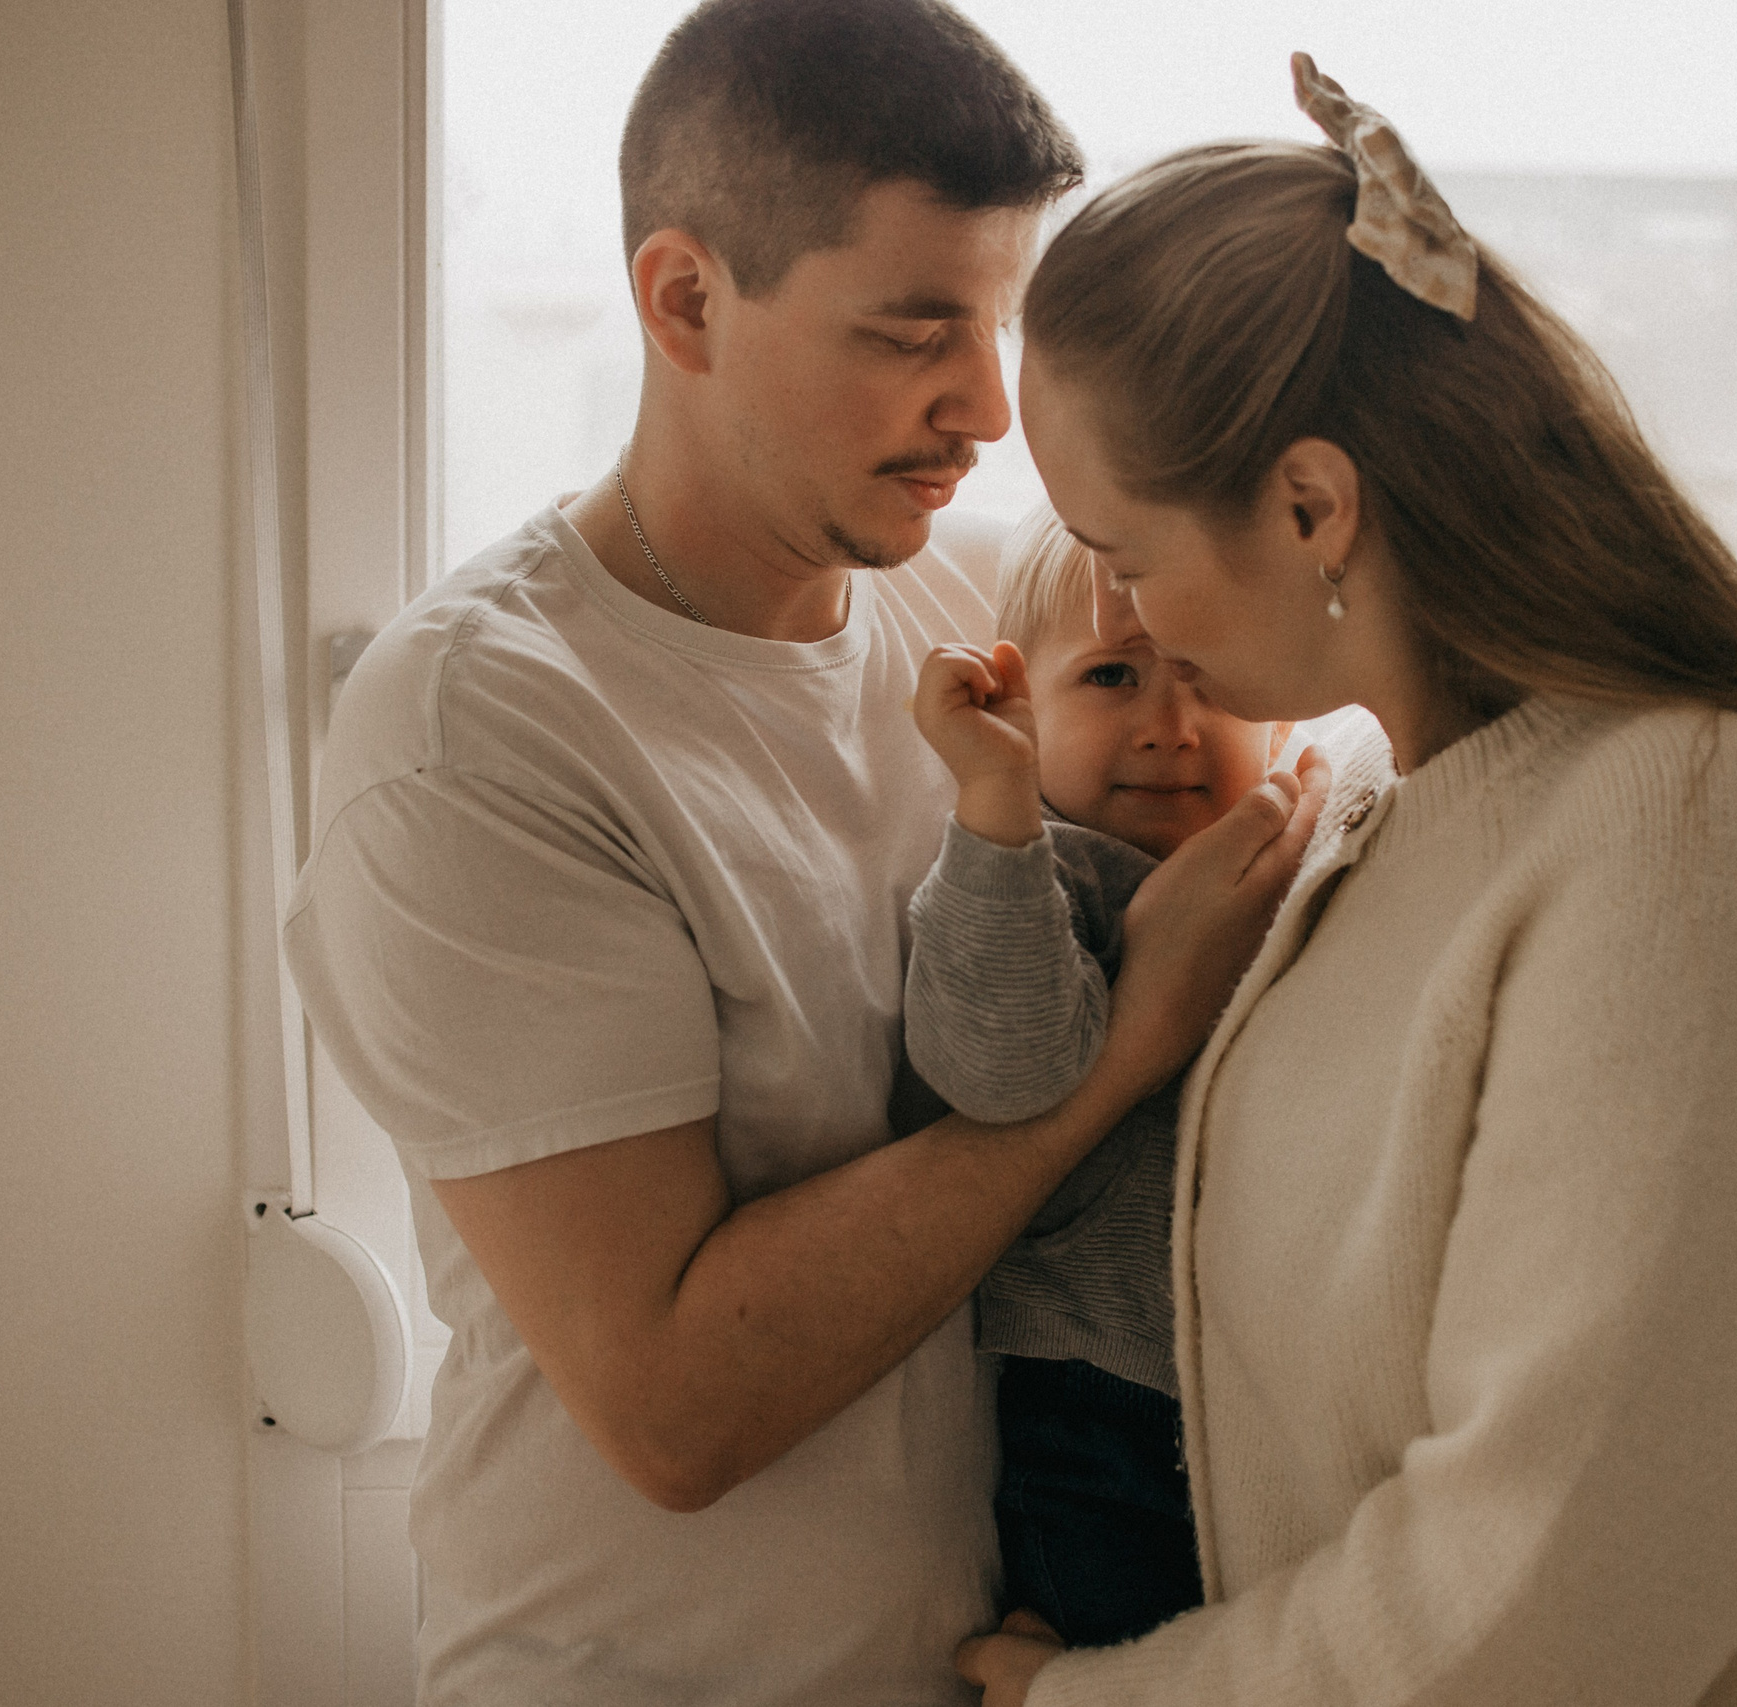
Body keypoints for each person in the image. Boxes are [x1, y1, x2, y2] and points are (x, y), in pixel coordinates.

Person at [958, 53, 1737, 1707]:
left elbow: (1551, 1598)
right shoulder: (1380, 818)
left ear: (1313, 504)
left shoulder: (1687, 831)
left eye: (1129, 554)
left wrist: (1097, 1698)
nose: (1132, 616)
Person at [281, 4, 1324, 1702]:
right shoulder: (478, 737)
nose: (986, 406)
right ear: (686, 299)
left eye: (1000, 325)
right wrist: (1132, 1034)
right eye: (914, 330)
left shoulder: (978, 604)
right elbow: (679, 1406)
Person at [897, 507, 1293, 1648]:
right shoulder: (1036, 869)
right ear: (1024, 701)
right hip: (1101, 1407)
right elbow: (1004, 1070)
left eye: (1207, 678)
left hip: (1273, 1399)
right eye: (1114, 676)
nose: (1172, 728)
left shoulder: (1296, 842)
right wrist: (995, 798)